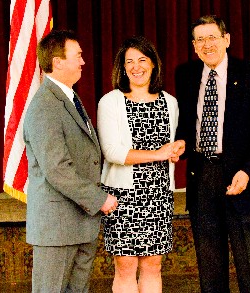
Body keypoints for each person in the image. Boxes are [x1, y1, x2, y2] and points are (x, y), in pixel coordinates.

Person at [175, 15, 250, 293]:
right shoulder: (185, 74)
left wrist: (248, 171)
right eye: (200, 39)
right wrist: (180, 145)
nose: (207, 44)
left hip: (242, 179)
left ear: (227, 40)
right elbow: (185, 126)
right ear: (194, 46)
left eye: (213, 37)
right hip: (202, 181)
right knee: (210, 273)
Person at [23, 30, 118, 292]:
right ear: (58, 62)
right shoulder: (45, 105)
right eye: (78, 56)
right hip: (57, 228)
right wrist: (99, 199)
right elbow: (57, 169)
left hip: (79, 224)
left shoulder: (69, 98)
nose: (83, 62)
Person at [97, 35, 185, 293]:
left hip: (159, 196)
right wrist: (158, 154)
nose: (136, 67)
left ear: (154, 64)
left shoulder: (170, 102)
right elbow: (112, 152)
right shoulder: (110, 101)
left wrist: (175, 150)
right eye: (130, 62)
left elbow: (170, 147)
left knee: (153, 267)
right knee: (125, 268)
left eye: (142, 60)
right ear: (122, 68)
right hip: (122, 197)